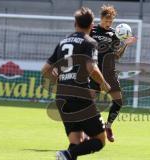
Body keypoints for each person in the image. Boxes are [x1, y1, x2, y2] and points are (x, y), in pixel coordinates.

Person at [41, 7, 111, 160]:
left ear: (75, 23)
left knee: (76, 142)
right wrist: (104, 83)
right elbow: (91, 68)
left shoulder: (62, 42)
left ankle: (68, 155)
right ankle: (66, 154)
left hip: (62, 98)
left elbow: (45, 69)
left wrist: (59, 79)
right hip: (80, 97)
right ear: (92, 25)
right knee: (99, 140)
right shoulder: (89, 42)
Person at [90, 4, 137, 142]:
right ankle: (91, 129)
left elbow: (117, 56)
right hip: (94, 72)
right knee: (88, 103)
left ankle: (108, 126)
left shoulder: (114, 34)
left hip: (109, 72)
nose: (108, 23)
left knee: (118, 102)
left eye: (110, 21)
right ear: (101, 18)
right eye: (106, 21)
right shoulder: (92, 30)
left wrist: (126, 44)